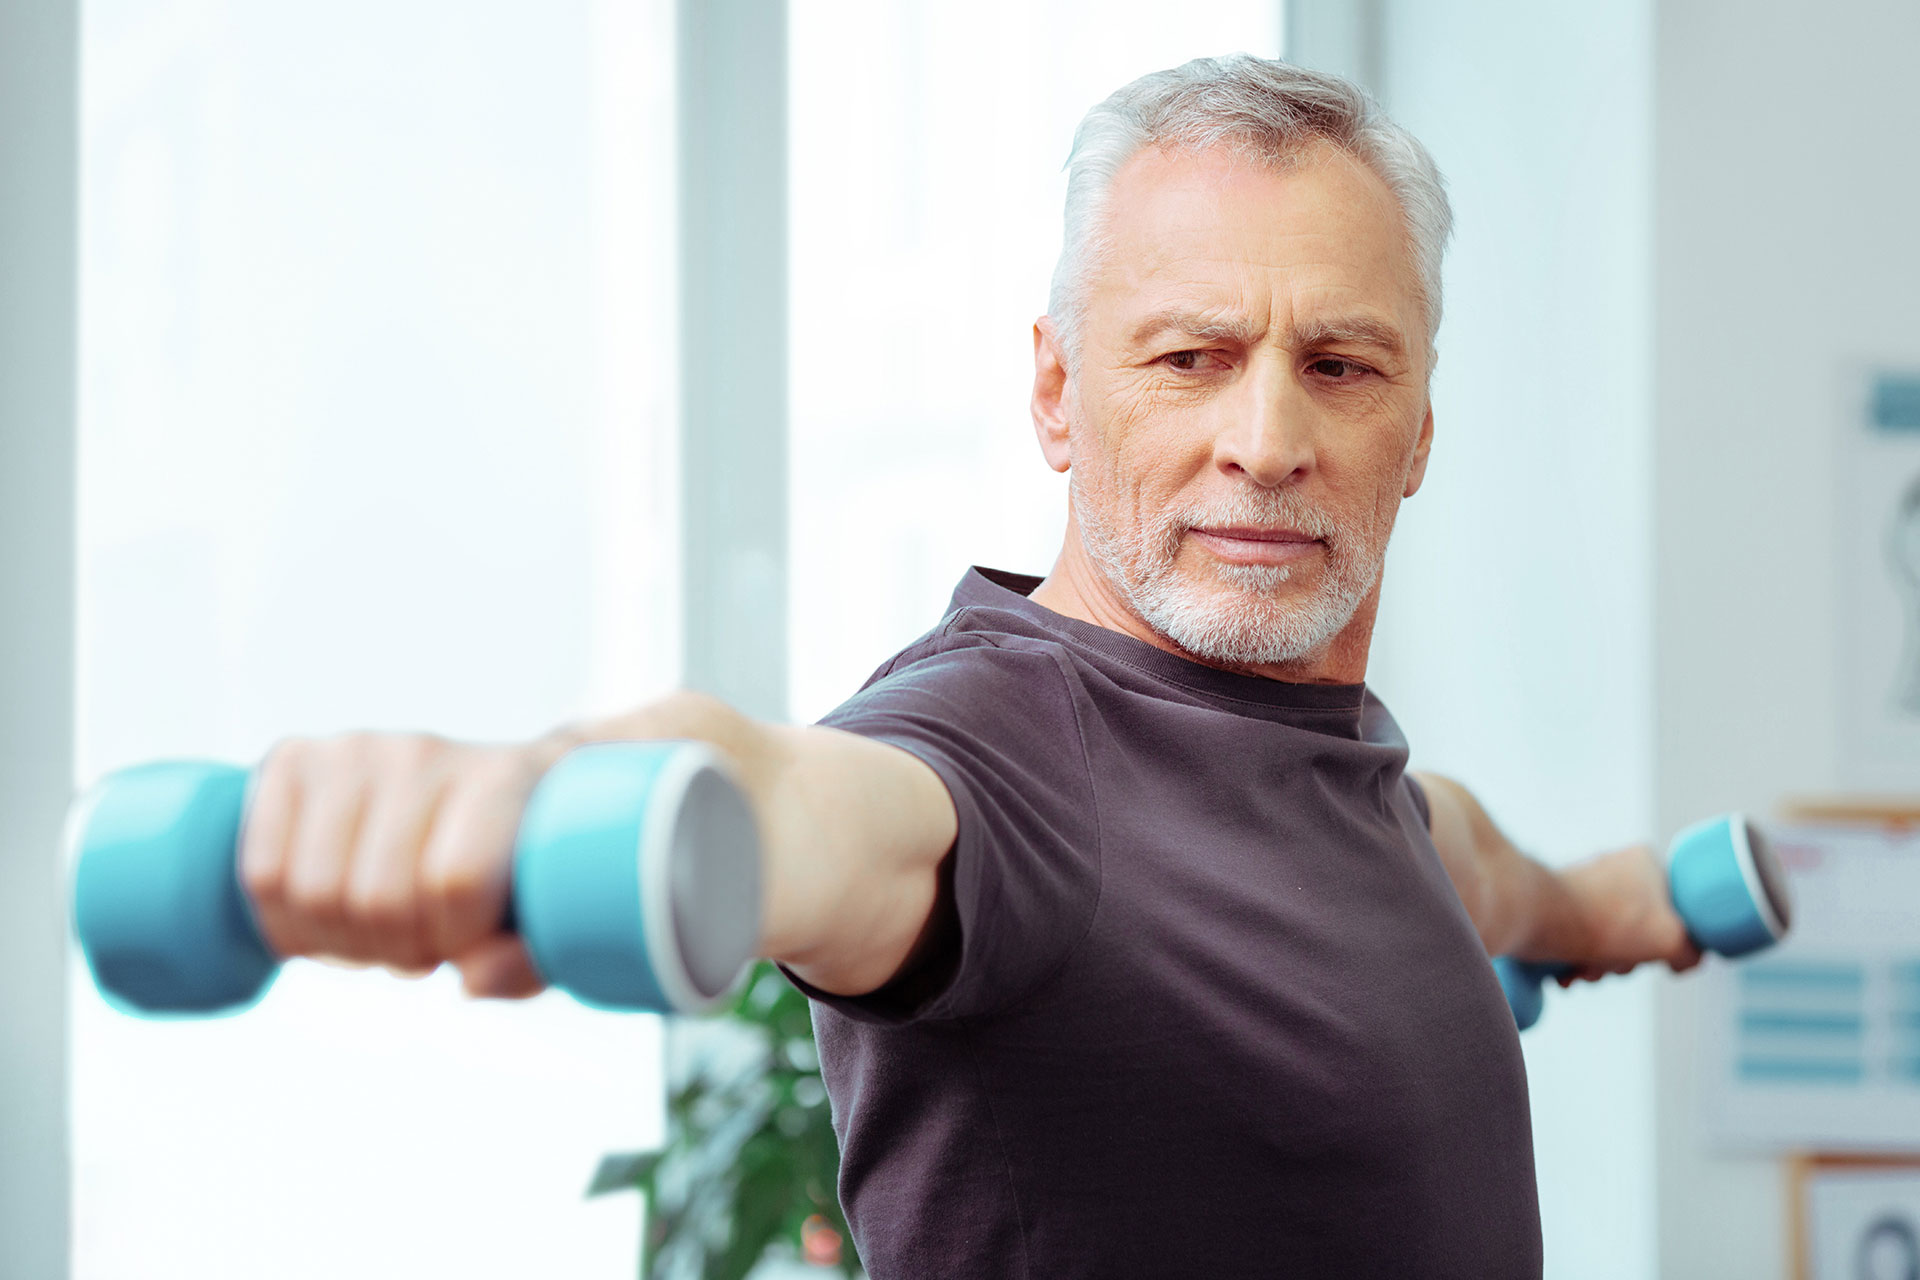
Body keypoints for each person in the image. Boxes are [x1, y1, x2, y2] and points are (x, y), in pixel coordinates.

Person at [235, 55, 1699, 1278]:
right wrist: (525, 789)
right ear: (1059, 394)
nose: (1265, 439)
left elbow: (1474, 865)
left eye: (1341, 365)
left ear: (1421, 427)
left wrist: (1620, 908)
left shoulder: (1367, 789)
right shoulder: (1005, 755)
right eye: (1189, 358)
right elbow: (809, 801)